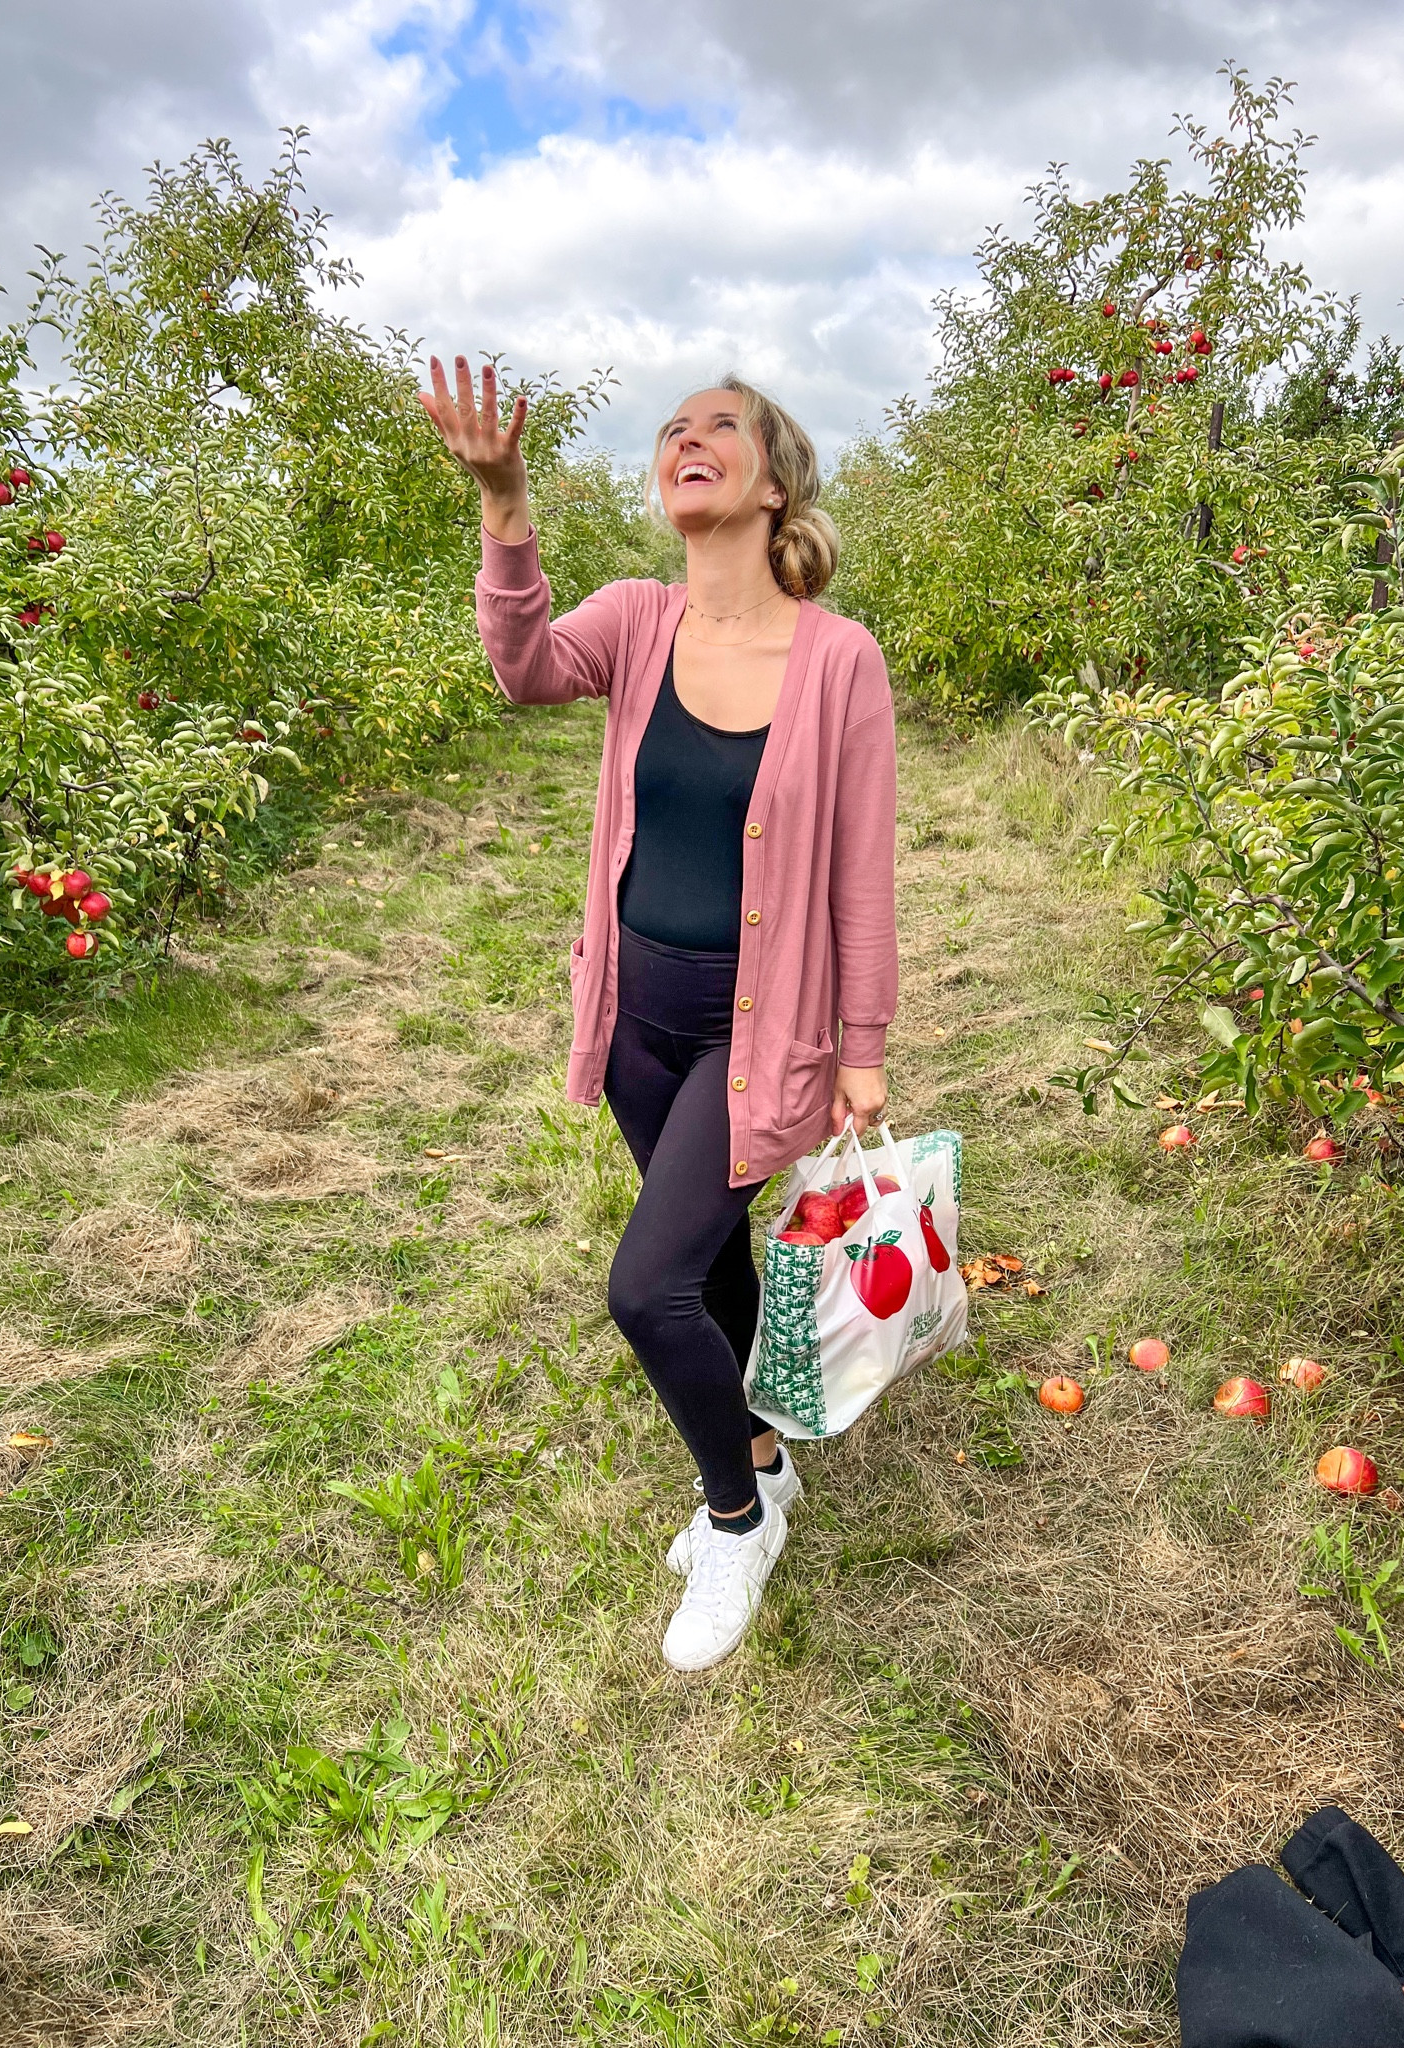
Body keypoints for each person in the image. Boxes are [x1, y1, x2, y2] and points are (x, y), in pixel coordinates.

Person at [419, 357, 898, 1672]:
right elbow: (522, 668)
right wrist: (504, 504)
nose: (690, 437)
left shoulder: (838, 661)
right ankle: (764, 1458)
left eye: (721, 426)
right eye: (673, 429)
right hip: (633, 1009)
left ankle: (736, 1518)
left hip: (760, 1027)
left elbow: (861, 866)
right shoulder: (636, 619)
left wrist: (861, 1050)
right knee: (710, 1261)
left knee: (648, 1284)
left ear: (774, 480)